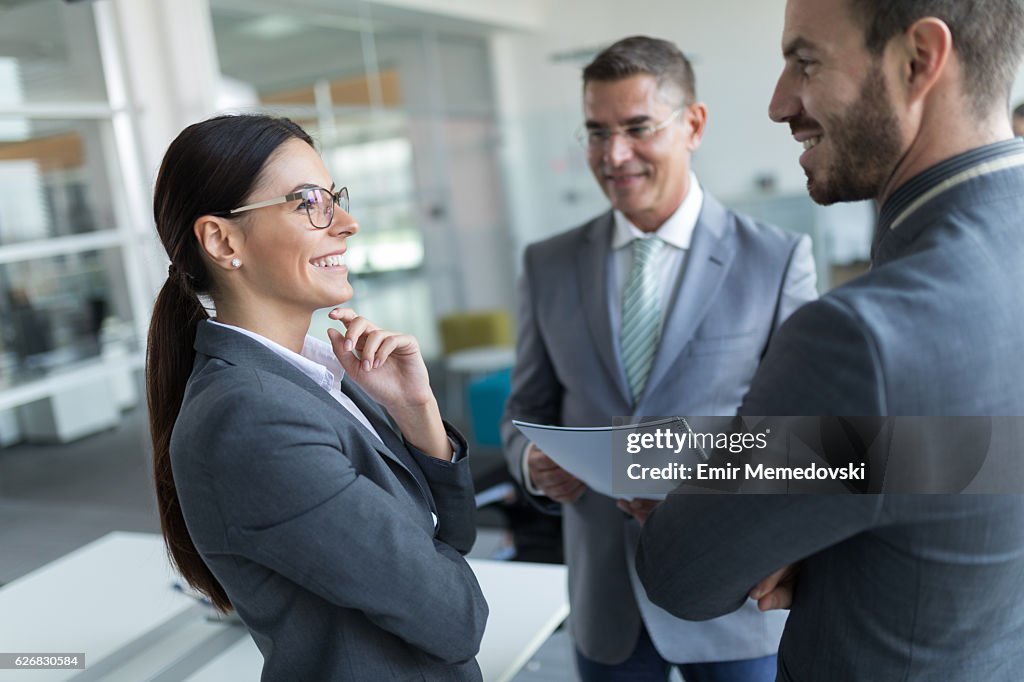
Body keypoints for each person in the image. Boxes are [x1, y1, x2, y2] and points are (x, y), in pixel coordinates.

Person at [637, 1, 1024, 680]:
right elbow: (979, 470)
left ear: (917, 61)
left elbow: (682, 575)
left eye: (805, 60)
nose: (779, 103)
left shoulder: (863, 340)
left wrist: (790, 535)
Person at [501, 36, 818, 682]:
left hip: (730, 598)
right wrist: (531, 463)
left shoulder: (777, 259)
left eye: (637, 128)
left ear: (692, 125)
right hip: (605, 604)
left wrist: (700, 483)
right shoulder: (547, 264)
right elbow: (524, 410)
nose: (614, 156)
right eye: (596, 133)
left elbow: (806, 440)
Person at [147, 114, 487, 681]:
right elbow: (455, 618)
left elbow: (453, 536)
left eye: (334, 198)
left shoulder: (319, 376)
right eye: (309, 202)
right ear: (223, 240)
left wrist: (415, 412)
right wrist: (429, 562)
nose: (347, 224)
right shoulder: (251, 418)